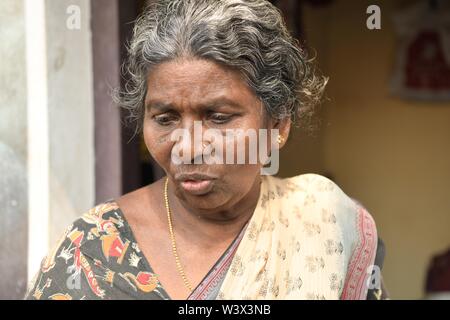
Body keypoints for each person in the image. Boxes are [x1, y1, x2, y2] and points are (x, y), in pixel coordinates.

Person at [25, 0, 386, 300]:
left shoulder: (325, 224)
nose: (188, 148)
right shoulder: (91, 254)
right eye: (165, 118)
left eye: (218, 117)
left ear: (278, 125)